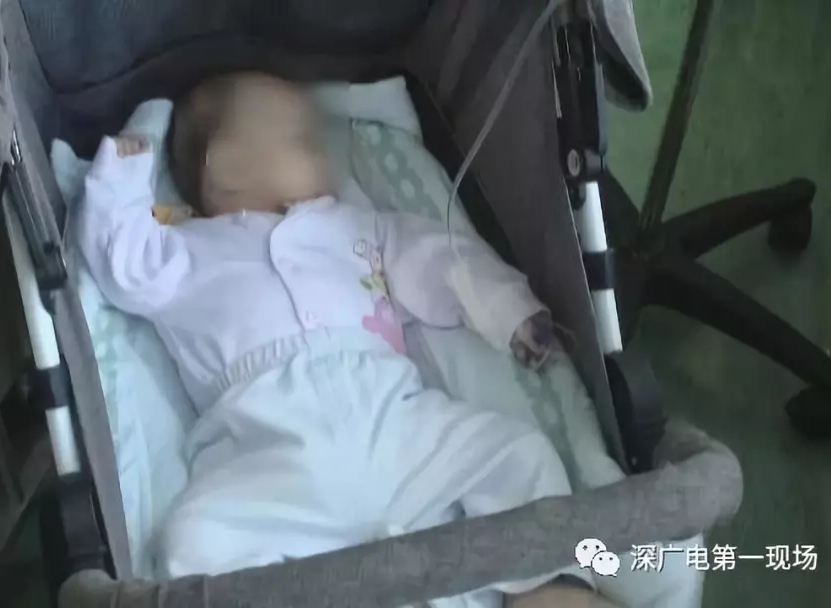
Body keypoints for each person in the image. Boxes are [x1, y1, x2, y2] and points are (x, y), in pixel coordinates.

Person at [76, 71, 619, 608]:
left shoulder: (355, 228)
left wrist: (508, 310)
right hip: (265, 448)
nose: (324, 153)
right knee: (191, 541)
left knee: (520, 456)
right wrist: (127, 164)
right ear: (228, 166)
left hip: (392, 419)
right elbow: (120, 260)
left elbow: (437, 257)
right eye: (301, 142)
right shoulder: (185, 252)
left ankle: (553, 591)